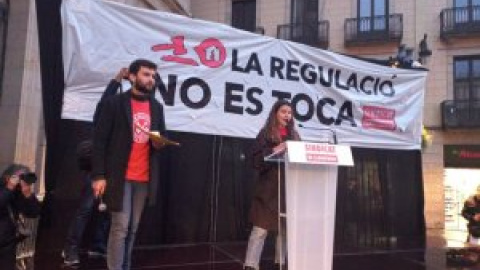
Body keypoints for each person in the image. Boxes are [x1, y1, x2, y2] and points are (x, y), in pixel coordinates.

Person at [92, 59, 167, 270]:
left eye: (153, 76)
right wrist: (98, 176)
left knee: (133, 229)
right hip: (120, 176)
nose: (150, 79)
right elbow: (100, 142)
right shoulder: (114, 104)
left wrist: (158, 142)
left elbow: (160, 138)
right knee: (120, 227)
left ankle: (125, 266)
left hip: (144, 178)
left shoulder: (157, 108)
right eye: (146, 74)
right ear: (132, 77)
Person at [62, 67, 129, 266]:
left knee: (107, 211)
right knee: (86, 209)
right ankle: (70, 249)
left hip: (114, 173)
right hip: (96, 171)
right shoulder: (103, 117)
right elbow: (105, 100)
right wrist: (117, 79)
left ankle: (98, 246)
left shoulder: (123, 127)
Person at [244, 100, 300, 270]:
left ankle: (280, 263)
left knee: (284, 230)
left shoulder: (295, 136)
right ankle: (250, 265)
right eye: (284, 112)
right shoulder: (265, 134)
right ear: (275, 113)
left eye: (289, 113)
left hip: (288, 188)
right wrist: (275, 150)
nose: (287, 116)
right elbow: (255, 161)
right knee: (260, 230)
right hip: (268, 190)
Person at [0, 164, 41, 270]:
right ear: (7, 177)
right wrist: (9, 188)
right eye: (19, 176)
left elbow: (34, 212)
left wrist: (27, 193)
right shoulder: (4, 189)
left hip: (8, 243)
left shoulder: (18, 193)